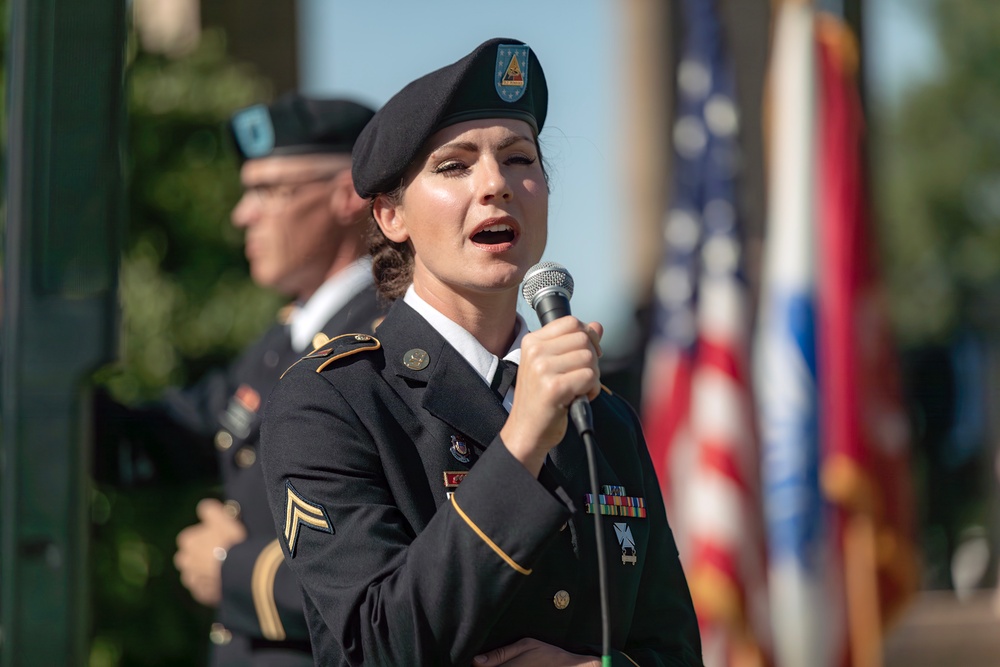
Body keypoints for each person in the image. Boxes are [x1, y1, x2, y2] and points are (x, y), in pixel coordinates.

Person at [260, 39, 702, 666]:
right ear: (390, 215)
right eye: (454, 166)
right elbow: (378, 645)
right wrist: (520, 444)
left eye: (519, 158)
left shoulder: (601, 414)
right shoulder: (334, 401)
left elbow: (674, 649)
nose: (496, 184)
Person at [97, 93, 384, 666]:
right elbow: (157, 440)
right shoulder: (282, 344)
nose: (241, 213)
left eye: (269, 191)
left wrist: (232, 570)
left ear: (347, 197)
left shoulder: (385, 343)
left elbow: (408, 584)